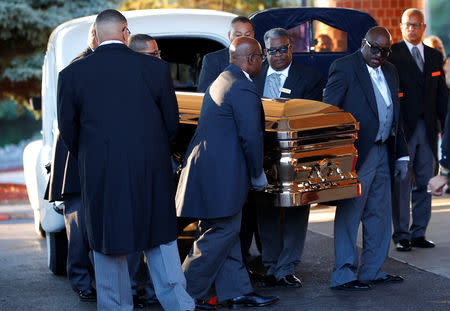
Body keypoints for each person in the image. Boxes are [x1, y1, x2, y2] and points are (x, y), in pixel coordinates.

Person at [57, 9, 194, 311]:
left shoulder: (71, 74)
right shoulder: (155, 70)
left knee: (109, 250)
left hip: (101, 176)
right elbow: (171, 123)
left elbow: (68, 132)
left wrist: (95, 157)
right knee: (161, 246)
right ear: (125, 32)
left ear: (96, 34)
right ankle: (180, 306)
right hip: (151, 173)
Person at [176, 36, 279, 310]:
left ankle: (236, 292)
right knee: (221, 231)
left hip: (210, 174)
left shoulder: (223, 79)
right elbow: (251, 137)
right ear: (251, 59)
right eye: (261, 57)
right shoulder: (242, 87)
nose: (263, 63)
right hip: (220, 177)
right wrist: (258, 173)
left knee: (226, 232)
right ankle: (184, 293)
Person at [324, 26, 408, 290]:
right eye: (374, 48)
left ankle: (372, 270)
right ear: (363, 43)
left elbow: (396, 115)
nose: (379, 54)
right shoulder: (344, 67)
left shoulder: (391, 71)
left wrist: (402, 153)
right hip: (357, 153)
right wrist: (337, 156)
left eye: (385, 51)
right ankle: (344, 274)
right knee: (350, 214)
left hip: (384, 149)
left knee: (380, 214)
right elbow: (330, 112)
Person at [253, 27, 323, 288]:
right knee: (265, 211)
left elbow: (311, 117)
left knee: (295, 210)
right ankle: (271, 265)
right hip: (261, 155)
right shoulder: (254, 75)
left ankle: (287, 267)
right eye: (273, 51)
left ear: (291, 48)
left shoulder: (310, 77)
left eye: (284, 49)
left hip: (295, 156)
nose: (279, 55)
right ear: (264, 52)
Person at [43, 22, 98, 303]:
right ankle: (80, 280)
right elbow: (67, 123)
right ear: (96, 37)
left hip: (92, 157)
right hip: (74, 160)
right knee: (78, 230)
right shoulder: (78, 69)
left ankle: (91, 279)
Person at [388, 8, 448, 252]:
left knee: (425, 181)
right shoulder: (392, 54)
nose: (412, 28)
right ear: (401, 27)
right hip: (403, 129)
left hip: (429, 130)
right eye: (408, 25)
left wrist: (446, 127)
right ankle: (401, 234)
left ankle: (419, 232)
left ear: (424, 28)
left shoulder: (434, 56)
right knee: (402, 182)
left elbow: (442, 95)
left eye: (416, 24)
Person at [125, 33, 162, 309]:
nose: (160, 59)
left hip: (152, 166)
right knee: (133, 234)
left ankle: (147, 290)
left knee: (153, 233)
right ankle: (133, 289)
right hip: (132, 168)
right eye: (154, 54)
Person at [197, 16, 254, 92]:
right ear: (229, 35)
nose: (243, 39)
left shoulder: (260, 59)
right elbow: (203, 92)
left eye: (247, 35)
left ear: (253, 35)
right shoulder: (213, 60)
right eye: (238, 35)